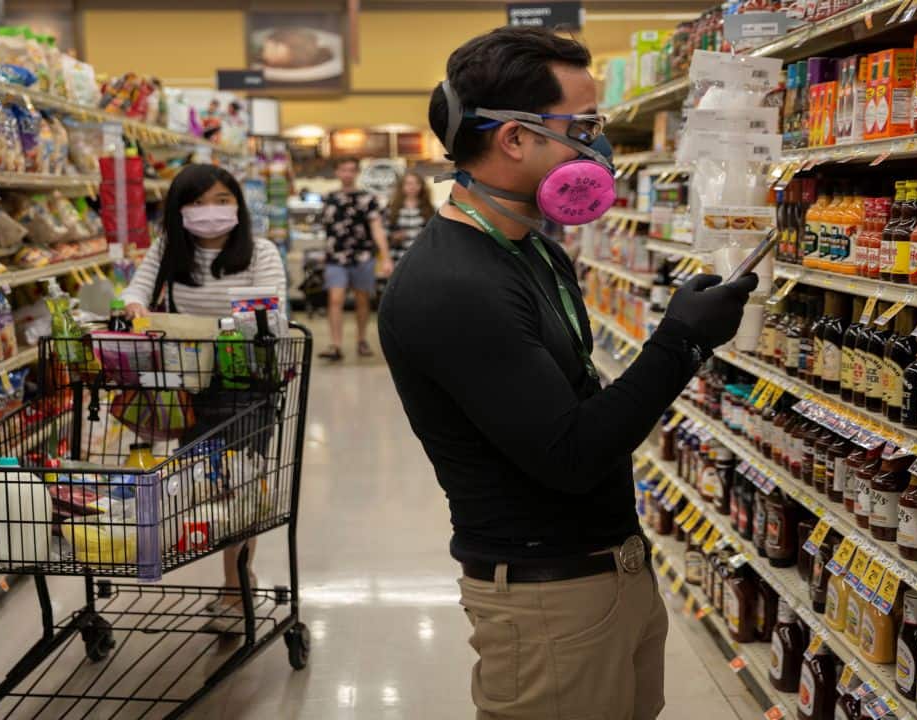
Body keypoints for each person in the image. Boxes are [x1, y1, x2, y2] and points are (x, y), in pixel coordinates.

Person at [377, 27, 757, 720]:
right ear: (514, 138)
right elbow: (572, 455)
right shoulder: (453, 286)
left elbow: (578, 401)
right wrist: (681, 342)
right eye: (583, 128)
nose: (597, 148)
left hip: (608, 570)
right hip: (548, 600)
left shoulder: (534, 251)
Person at [121, 163, 287, 626]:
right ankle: (237, 579)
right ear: (179, 210)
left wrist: (227, 327)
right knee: (206, 485)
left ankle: (235, 587)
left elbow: (272, 313)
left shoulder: (261, 252)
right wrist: (132, 305)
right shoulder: (168, 250)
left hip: (246, 383)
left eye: (221, 200)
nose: (209, 211)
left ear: (238, 204)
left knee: (240, 486)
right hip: (190, 384)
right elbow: (136, 289)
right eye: (196, 202)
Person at [319, 157, 392, 361]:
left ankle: (361, 339)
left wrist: (386, 257)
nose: (347, 174)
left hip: (363, 256)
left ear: (357, 172)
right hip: (335, 257)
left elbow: (377, 229)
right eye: (343, 169)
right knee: (335, 299)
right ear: (337, 172)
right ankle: (335, 344)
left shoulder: (368, 199)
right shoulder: (329, 198)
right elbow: (327, 229)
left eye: (351, 170)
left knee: (362, 299)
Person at [387, 171, 435, 254]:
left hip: (422, 256)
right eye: (409, 183)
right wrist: (394, 237)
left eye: (417, 183)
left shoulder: (430, 209)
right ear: (402, 186)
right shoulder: (391, 208)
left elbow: (435, 235)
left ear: (422, 186)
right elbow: (383, 234)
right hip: (399, 256)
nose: (413, 187)